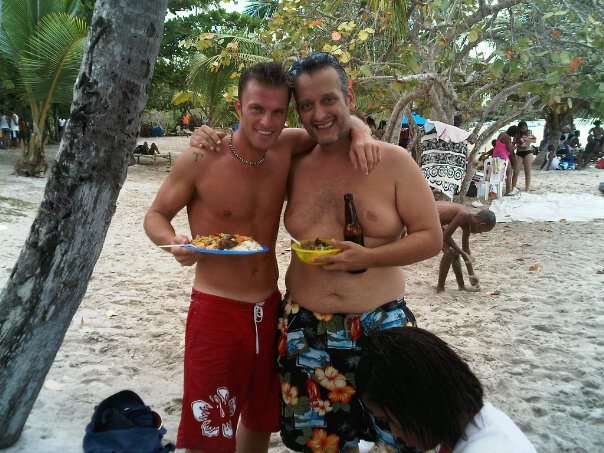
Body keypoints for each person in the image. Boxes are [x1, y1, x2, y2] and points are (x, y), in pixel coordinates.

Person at [144, 61, 379, 453]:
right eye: (257, 109)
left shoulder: (285, 147)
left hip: (271, 309)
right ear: (239, 107)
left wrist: (364, 132)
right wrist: (173, 242)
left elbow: (334, 123)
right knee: (210, 428)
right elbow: (155, 214)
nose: (267, 122)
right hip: (217, 311)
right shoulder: (201, 158)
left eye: (277, 112)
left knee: (260, 420)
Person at [277, 52, 442, 452]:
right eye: (307, 105)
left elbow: (430, 237)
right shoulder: (293, 163)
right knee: (320, 445)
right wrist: (205, 138)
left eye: (329, 100)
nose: (319, 114)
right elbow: (246, 143)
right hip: (304, 329)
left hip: (381, 325)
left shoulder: (393, 161)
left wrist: (367, 258)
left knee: (400, 439)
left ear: (348, 95)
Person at [356, 327, 537, 453]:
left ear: (417, 400)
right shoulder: (485, 422)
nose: (394, 433)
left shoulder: (487, 447)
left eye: (386, 419)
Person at [435, 201, 496, 293]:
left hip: (436, 220)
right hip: (428, 216)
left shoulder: (467, 224)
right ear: (481, 225)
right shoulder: (464, 214)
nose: (479, 233)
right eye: (482, 231)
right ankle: (440, 288)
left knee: (455, 253)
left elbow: (466, 250)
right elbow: (446, 236)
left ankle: (461, 286)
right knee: (450, 252)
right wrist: (463, 254)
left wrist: (472, 274)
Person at [492, 125, 518, 195]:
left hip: (496, 154)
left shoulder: (502, 134)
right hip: (502, 155)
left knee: (502, 173)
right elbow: (510, 149)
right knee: (509, 173)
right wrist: (517, 146)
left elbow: (503, 144)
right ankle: (508, 190)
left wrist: (513, 142)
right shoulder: (508, 137)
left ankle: (504, 190)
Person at [512, 121, 536, 192]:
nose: (524, 129)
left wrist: (526, 139)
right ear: (519, 128)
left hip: (527, 152)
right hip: (519, 153)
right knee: (516, 172)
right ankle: (513, 187)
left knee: (527, 171)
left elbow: (534, 140)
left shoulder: (529, 133)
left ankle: (527, 188)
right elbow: (513, 144)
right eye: (522, 128)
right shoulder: (517, 135)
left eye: (525, 128)